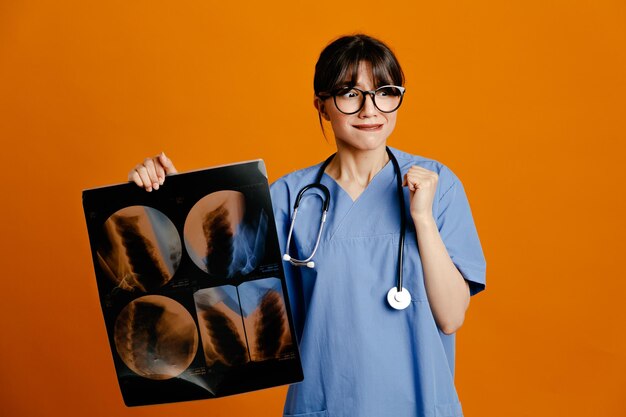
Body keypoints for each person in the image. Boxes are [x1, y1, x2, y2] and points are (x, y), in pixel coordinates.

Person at [129, 34, 486, 417]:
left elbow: (451, 317)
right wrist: (169, 199)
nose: (370, 109)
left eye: (384, 91)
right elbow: (221, 292)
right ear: (322, 105)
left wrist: (422, 219)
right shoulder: (287, 198)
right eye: (350, 94)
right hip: (326, 402)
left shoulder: (437, 184)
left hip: (419, 402)